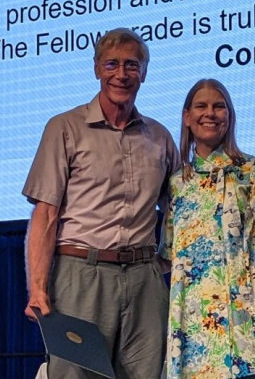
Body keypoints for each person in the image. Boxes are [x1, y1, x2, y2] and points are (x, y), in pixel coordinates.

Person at [23, 28, 180, 379]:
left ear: (144, 72)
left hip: (144, 281)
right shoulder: (64, 128)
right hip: (81, 275)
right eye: (112, 64)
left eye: (132, 65)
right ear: (96, 69)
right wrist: (37, 287)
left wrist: (163, 264)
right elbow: (45, 214)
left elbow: (181, 211)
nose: (121, 74)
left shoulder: (159, 137)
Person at [159, 78, 255, 379]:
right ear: (186, 117)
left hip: (248, 322)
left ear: (229, 116)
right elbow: (168, 257)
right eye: (201, 106)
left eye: (218, 106)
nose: (210, 113)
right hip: (193, 332)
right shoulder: (176, 184)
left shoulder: (253, 171)